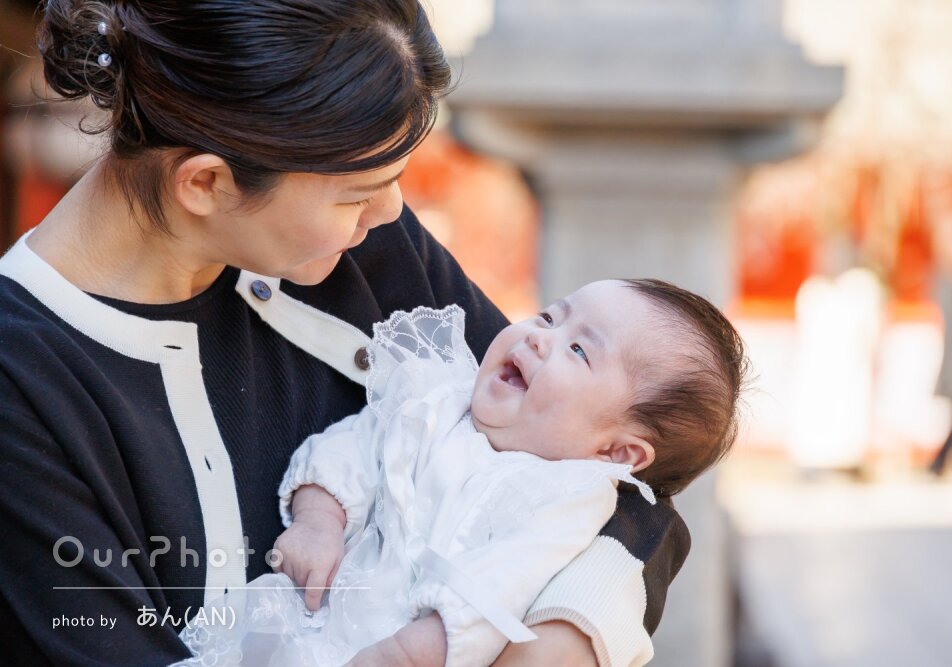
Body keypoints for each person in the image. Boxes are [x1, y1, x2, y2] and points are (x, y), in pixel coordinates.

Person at [0, 1, 690, 665]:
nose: (389, 212)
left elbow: (615, 481)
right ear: (207, 183)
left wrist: (571, 629)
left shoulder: (355, 244)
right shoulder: (24, 384)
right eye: (359, 193)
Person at [173, 279, 747, 666]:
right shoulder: (435, 400)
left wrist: (416, 648)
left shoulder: (571, 499)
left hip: (414, 646)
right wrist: (318, 520)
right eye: (550, 316)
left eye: (579, 351)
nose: (539, 336)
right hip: (312, 614)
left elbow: (509, 577)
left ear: (617, 454)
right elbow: (351, 448)